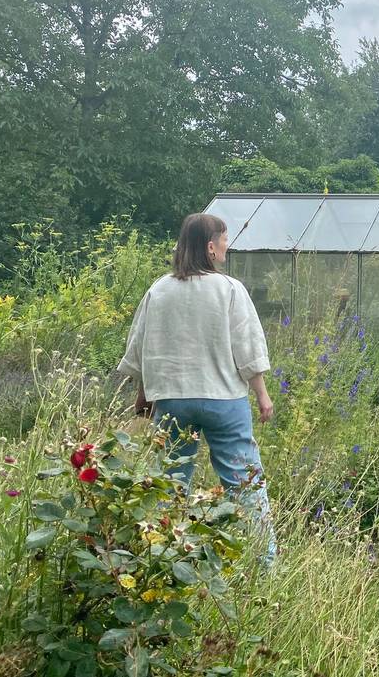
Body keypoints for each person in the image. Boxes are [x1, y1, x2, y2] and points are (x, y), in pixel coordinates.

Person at [118, 212, 277, 566]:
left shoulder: (159, 291)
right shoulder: (230, 289)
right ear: (210, 247)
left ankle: (164, 560)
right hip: (225, 401)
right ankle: (264, 566)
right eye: (223, 240)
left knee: (170, 484)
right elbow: (247, 347)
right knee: (244, 483)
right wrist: (262, 395)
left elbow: (144, 347)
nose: (226, 246)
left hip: (173, 400)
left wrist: (143, 395)